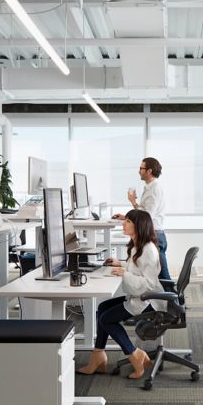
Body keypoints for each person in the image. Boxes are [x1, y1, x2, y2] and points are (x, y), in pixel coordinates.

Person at [78, 209, 163, 379]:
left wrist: (124, 273)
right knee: (102, 308)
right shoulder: (138, 246)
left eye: (128, 222)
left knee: (105, 319)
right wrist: (122, 265)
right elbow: (137, 270)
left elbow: (148, 283)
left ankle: (135, 354)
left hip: (147, 301)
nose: (123, 223)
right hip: (138, 297)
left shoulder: (148, 250)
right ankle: (98, 355)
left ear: (139, 226)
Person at [113, 157, 171, 280]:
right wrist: (126, 216)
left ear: (149, 171)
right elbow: (145, 212)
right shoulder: (149, 188)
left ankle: (173, 298)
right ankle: (171, 297)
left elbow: (147, 216)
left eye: (141, 168)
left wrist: (133, 202)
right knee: (159, 273)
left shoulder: (154, 189)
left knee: (162, 276)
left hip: (154, 234)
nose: (139, 171)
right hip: (154, 232)